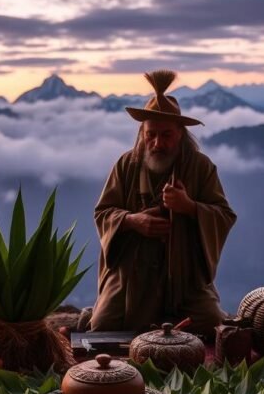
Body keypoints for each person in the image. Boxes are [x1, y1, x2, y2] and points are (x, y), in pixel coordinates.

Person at [86, 70, 236, 335]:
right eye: (150, 134)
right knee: (102, 327)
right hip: (131, 275)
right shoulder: (125, 165)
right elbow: (103, 212)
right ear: (142, 133)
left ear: (180, 133)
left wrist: (189, 207)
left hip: (185, 278)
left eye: (166, 135)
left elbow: (223, 215)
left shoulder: (200, 168)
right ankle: (93, 311)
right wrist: (132, 221)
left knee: (212, 322)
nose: (157, 143)